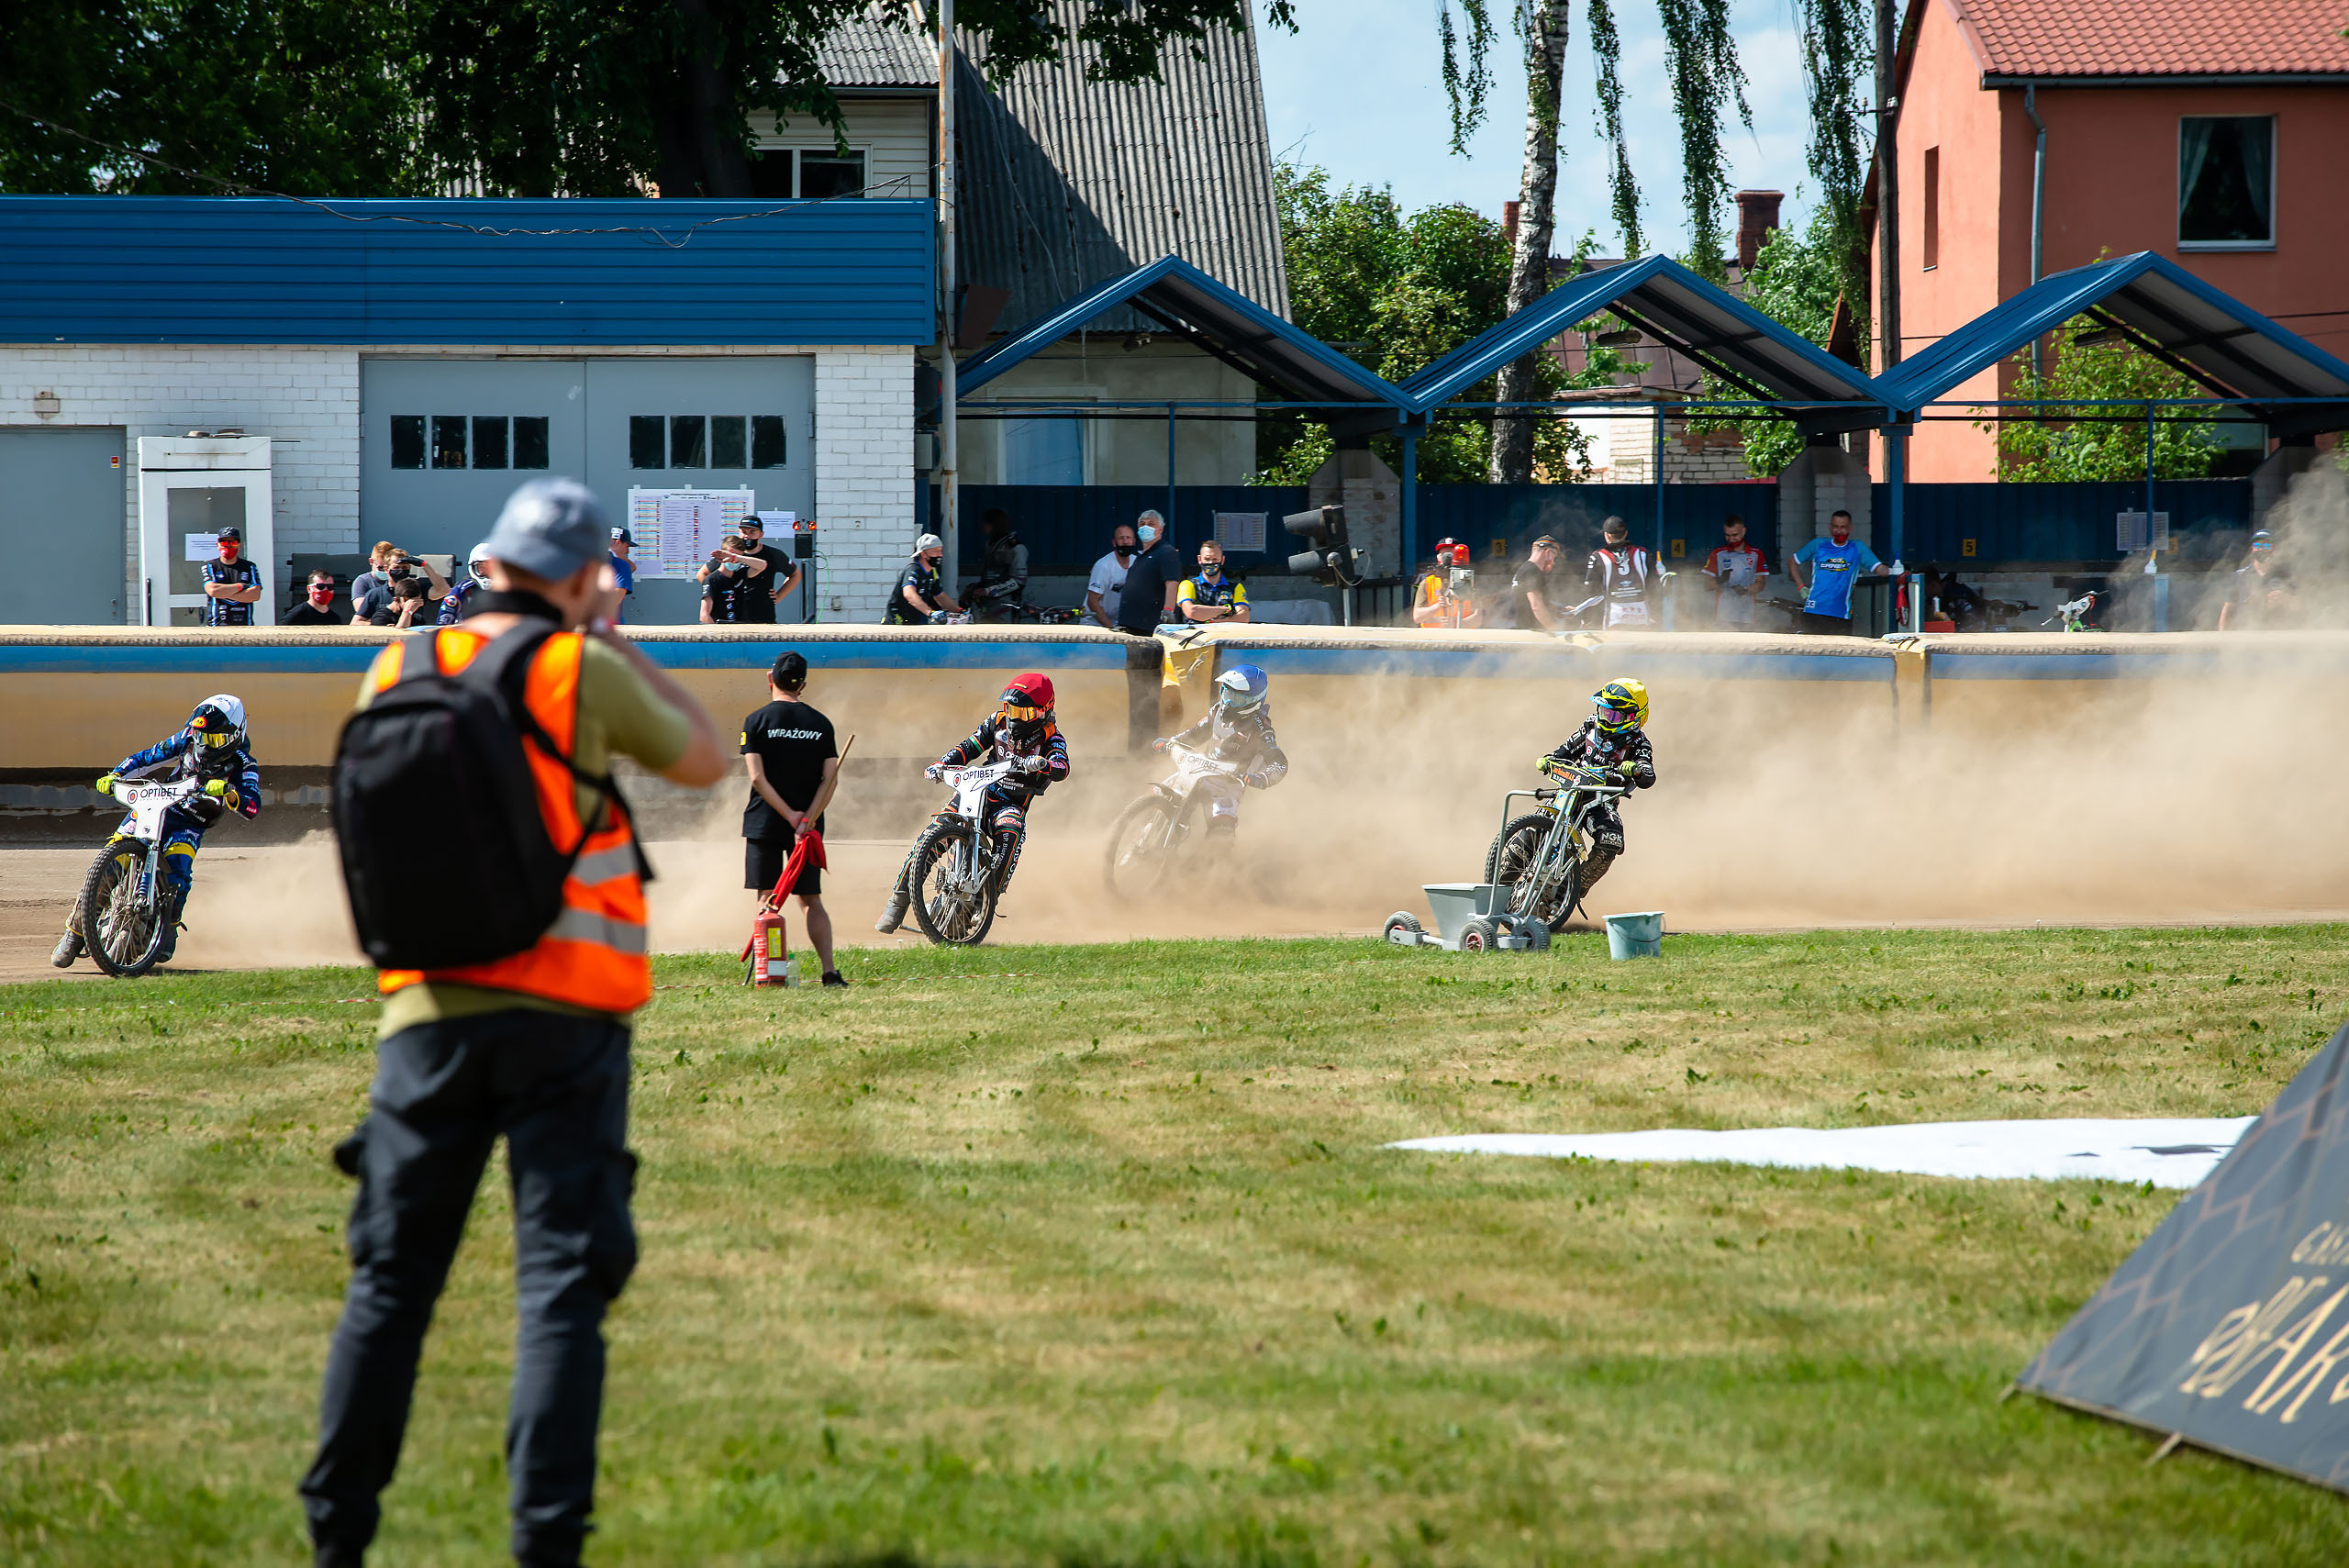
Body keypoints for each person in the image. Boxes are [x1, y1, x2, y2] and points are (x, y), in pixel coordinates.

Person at [300, 477, 728, 1568]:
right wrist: (612, 639)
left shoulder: (396, 663)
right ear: (586, 576)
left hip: (424, 1013)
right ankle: (544, 1546)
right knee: (557, 1290)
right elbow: (701, 757)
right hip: (565, 1016)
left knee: (390, 1286)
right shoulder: (573, 664)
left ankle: (337, 1536)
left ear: (488, 564)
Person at [50, 695, 260, 969]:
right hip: (157, 804)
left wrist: (230, 793)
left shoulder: (244, 763)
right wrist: (116, 775)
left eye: (216, 739)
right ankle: (75, 932)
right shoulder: (187, 738)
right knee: (110, 862)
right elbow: (148, 757)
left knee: (178, 871)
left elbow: (253, 806)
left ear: (236, 733)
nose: (206, 744)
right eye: (202, 737)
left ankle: (166, 930)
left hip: (191, 822)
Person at [875, 673, 1069, 934]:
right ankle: (898, 900)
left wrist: (1046, 764)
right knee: (935, 831)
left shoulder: (1052, 737)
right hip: (978, 789)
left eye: (1023, 713)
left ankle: (984, 902)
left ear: (1043, 712)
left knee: (1011, 832)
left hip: (1010, 804)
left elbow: (1062, 765)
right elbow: (970, 746)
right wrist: (942, 763)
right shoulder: (997, 722)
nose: (1014, 718)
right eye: (1011, 709)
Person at [740, 651, 845, 986]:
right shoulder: (821, 723)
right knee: (810, 899)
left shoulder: (756, 721)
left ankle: (770, 974)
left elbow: (757, 778)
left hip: (766, 822)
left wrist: (788, 815)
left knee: (767, 897)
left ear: (770, 680)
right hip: (808, 830)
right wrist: (807, 819)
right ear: (802, 685)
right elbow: (831, 779)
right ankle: (829, 971)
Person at [1539, 678, 1654, 904]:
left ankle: (1572, 891)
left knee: (1612, 840)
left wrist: (1637, 770)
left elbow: (1648, 776)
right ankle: (1509, 868)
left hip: (1600, 803)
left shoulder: (1639, 743)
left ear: (1633, 717)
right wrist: (1549, 760)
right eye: (1602, 711)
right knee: (1538, 824)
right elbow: (1565, 750)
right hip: (1570, 792)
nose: (1604, 718)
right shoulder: (1591, 725)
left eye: (1612, 715)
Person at [1153, 663, 1285, 845]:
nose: (1228, 702)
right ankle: (1143, 838)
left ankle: (1219, 868)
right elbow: (1195, 734)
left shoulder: (1261, 729)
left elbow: (1279, 763)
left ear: (1254, 701)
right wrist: (1171, 742)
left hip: (1229, 783)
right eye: (1226, 693)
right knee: (1160, 794)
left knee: (1221, 833)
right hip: (1197, 770)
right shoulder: (1216, 711)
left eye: (1236, 699)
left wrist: (1261, 778)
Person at [1787, 510, 1892, 635]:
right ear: (1830, 527)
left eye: (1843, 527)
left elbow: (1879, 569)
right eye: (1835, 526)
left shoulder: (1857, 547)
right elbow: (1792, 562)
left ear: (1850, 528)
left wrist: (1896, 571)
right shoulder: (1818, 545)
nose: (1838, 531)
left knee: (1840, 652)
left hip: (1841, 614)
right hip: (1814, 611)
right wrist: (1801, 587)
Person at [698, 515, 798, 625]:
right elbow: (703, 573)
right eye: (744, 532)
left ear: (761, 534)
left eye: (752, 532)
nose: (747, 536)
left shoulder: (773, 554)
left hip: (763, 616)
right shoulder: (730, 553)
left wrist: (778, 596)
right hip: (734, 616)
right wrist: (715, 592)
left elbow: (795, 575)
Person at [1583, 517, 1659, 630]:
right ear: (1625, 534)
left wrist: (1587, 619)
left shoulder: (1598, 556)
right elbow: (1656, 587)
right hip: (1641, 616)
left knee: (1615, 647)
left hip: (1614, 618)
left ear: (1607, 535)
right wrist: (1655, 614)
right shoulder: (1643, 553)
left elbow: (1591, 592)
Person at [1114, 511, 1182, 636]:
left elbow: (1172, 583)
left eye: (1151, 524)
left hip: (1149, 629)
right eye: (1142, 524)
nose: (1146, 527)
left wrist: (1168, 611)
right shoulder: (1141, 557)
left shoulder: (1166, 552)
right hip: (1131, 626)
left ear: (1160, 529)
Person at [1700, 515, 1768, 629]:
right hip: (1723, 617)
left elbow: (1761, 585)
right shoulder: (1718, 554)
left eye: (1735, 535)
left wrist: (1745, 590)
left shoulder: (1756, 554)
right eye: (1727, 535)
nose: (1731, 539)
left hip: (1747, 617)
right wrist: (1720, 580)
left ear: (1743, 531)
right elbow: (1707, 586)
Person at [2219, 530, 2295, 630]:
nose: (2261, 549)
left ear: (2273, 549)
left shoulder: (2285, 576)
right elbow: (2227, 610)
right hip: (2245, 634)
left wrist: (2286, 598)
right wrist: (2222, 639)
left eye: (2267, 546)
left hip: (2276, 634)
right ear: (2252, 549)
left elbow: (2302, 606)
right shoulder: (2240, 576)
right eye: (2257, 545)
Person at [351, 550, 449, 627]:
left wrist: (424, 565)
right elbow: (355, 623)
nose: (401, 571)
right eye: (397, 567)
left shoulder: (417, 589)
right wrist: (380, 626)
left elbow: (444, 590)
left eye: (405, 567)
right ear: (386, 568)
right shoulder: (375, 594)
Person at [965, 507, 1030, 617]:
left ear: (994, 524)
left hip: (1007, 604)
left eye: (986, 523)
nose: (982, 526)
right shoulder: (991, 543)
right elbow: (990, 576)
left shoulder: (1015, 547)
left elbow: (1019, 581)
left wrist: (988, 591)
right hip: (988, 602)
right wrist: (975, 588)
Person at [1497, 535, 1566, 632]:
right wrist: (1555, 630)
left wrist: (1560, 609)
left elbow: (1530, 602)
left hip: (1526, 630)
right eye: (1555, 556)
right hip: (1533, 632)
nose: (1553, 563)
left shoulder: (1525, 569)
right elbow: (1536, 606)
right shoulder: (1532, 571)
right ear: (1549, 553)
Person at [885, 534, 958, 624]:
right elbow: (909, 593)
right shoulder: (913, 570)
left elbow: (940, 596)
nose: (940, 555)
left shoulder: (932, 573)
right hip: (897, 624)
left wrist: (959, 611)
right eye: (935, 552)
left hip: (914, 622)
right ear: (923, 554)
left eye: (941, 551)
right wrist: (930, 613)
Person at [200, 526, 263, 626]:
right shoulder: (211, 566)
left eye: (233, 543)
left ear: (239, 545)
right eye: (224, 543)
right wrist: (241, 586)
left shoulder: (249, 566)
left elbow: (255, 595)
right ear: (218, 545)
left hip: (245, 627)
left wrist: (223, 593)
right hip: (216, 627)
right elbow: (213, 590)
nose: (228, 546)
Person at [1412, 539, 1482, 629]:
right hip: (1432, 639)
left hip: (1463, 637)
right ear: (1438, 557)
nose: (1447, 558)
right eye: (1443, 555)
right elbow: (1417, 617)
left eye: (1451, 554)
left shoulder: (1468, 581)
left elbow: (1478, 618)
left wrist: (1458, 623)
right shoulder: (1427, 583)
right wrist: (1437, 606)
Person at [1176, 539, 1251, 624]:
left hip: (1223, 636)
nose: (1211, 562)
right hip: (1196, 635)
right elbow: (1191, 612)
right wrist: (1225, 609)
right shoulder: (1188, 585)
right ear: (1199, 559)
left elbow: (1244, 618)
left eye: (1215, 559)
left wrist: (1214, 619)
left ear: (1222, 560)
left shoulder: (1235, 587)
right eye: (1207, 559)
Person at [1085, 523, 1136, 628]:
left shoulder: (1137, 562)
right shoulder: (1103, 566)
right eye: (1121, 538)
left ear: (1134, 541)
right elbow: (1092, 601)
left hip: (1119, 624)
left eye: (1128, 538)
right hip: (1094, 625)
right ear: (1114, 543)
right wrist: (1111, 628)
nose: (1125, 542)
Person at [437, 543, 494, 624]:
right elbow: (442, 626)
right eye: (482, 568)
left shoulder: (511, 590)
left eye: (492, 569)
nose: (487, 574)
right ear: (472, 567)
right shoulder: (459, 592)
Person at [348, 541, 398, 619]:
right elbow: (362, 612)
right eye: (381, 568)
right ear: (371, 561)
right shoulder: (362, 581)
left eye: (388, 567)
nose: (385, 571)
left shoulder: (399, 580)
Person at [370, 575, 434, 628]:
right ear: (395, 599)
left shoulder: (417, 618)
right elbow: (398, 638)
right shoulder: (380, 618)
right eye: (408, 602)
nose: (413, 605)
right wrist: (407, 611)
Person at [607, 527, 637, 622]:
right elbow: (617, 598)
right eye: (627, 546)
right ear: (618, 542)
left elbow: (632, 567)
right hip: (611, 623)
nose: (627, 551)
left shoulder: (586, 560)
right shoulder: (622, 566)